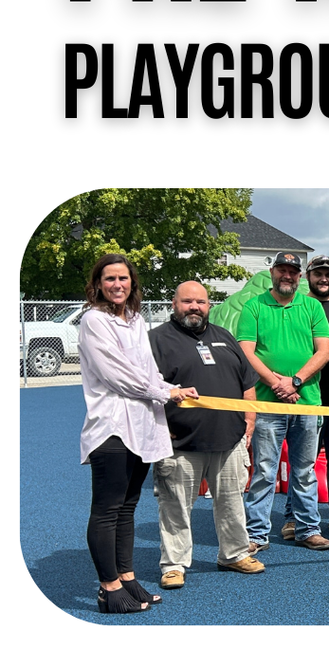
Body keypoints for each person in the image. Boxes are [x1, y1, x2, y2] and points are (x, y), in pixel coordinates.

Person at [78, 253, 198, 614]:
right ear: (98, 283)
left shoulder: (135, 319)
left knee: (128, 507)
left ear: (132, 283)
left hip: (142, 425)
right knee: (107, 509)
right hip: (112, 426)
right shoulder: (93, 320)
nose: (117, 285)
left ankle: (127, 578)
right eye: (110, 279)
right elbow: (118, 375)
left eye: (123, 279)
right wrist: (166, 393)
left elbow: (147, 372)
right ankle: (108, 587)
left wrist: (174, 386)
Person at [149, 281, 264, 590]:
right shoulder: (156, 340)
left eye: (200, 302)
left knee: (231, 502)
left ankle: (234, 553)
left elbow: (247, 383)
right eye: (187, 301)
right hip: (179, 443)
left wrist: (249, 420)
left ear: (209, 305)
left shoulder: (224, 337)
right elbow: (145, 390)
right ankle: (174, 565)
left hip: (229, 439)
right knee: (175, 506)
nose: (194, 307)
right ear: (174, 303)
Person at [237, 251, 329, 552]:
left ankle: (307, 529)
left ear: (299, 276)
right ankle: (256, 534)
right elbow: (246, 353)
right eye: (282, 270)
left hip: (306, 402)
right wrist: (276, 383)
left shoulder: (312, 306)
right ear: (272, 272)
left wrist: (295, 381)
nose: (287, 276)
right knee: (265, 471)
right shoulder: (253, 307)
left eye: (293, 271)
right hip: (268, 405)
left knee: (304, 469)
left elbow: (324, 352)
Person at [281, 253, 329, 540]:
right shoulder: (298, 307)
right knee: (303, 462)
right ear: (308, 278)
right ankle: (292, 517)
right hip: (305, 399)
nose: (323, 279)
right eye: (318, 274)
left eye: (328, 274)